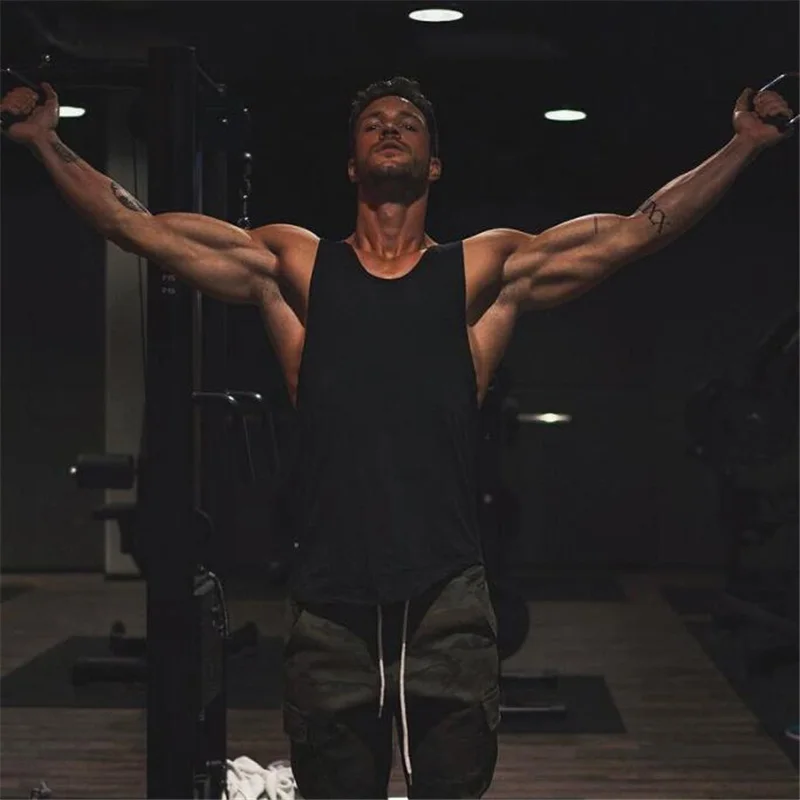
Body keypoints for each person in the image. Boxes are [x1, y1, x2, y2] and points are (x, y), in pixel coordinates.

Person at [1, 75, 794, 799]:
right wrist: (43, 140)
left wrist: (745, 145)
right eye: (374, 122)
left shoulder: (483, 272)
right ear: (351, 164)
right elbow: (134, 225)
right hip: (330, 599)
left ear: (434, 164)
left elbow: (636, 232)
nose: (390, 128)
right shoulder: (294, 266)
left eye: (408, 123)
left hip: (446, 593)